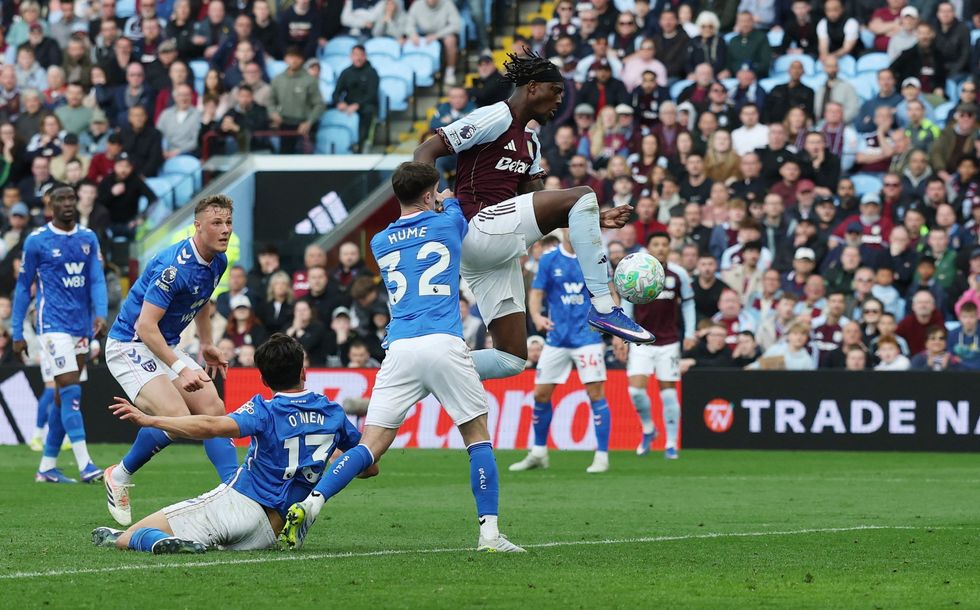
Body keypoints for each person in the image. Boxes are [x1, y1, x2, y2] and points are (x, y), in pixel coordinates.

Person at [278, 162, 524, 553]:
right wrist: (448, 201)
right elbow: (456, 214)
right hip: (443, 342)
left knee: (369, 446)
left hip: (399, 349)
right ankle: (490, 535)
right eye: (435, 191)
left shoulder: (378, 241)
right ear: (428, 195)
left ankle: (311, 503)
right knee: (477, 440)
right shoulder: (446, 222)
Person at [412, 49, 654, 386]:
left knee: (511, 357)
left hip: (490, 251)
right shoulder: (495, 116)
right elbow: (425, 152)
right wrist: (429, 205)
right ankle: (603, 306)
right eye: (556, 92)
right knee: (583, 194)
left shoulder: (531, 141)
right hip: (476, 227)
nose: (559, 102)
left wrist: (596, 219)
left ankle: (422, 371)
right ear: (533, 87)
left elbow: (538, 207)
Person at [92, 333, 374, 554]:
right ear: (303, 372)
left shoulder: (265, 410)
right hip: (270, 532)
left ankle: (152, 540)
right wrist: (337, 461)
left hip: (238, 505)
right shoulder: (334, 414)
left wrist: (151, 420)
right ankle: (179, 539)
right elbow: (369, 466)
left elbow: (211, 425)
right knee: (213, 540)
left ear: (263, 379)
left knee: (128, 539)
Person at [102, 195, 240, 527]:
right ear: (198, 226)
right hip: (130, 345)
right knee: (176, 417)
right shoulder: (173, 266)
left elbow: (203, 302)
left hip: (163, 344)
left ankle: (236, 490)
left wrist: (206, 343)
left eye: (228, 223)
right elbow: (145, 327)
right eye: (216, 223)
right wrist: (179, 366)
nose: (224, 231)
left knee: (213, 409)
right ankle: (118, 475)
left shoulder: (217, 261)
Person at [12, 186, 107, 483]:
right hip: (52, 325)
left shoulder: (88, 238)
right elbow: (22, 287)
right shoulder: (37, 241)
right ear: (50, 206)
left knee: (60, 398)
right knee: (70, 390)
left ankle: (47, 467)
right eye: (60, 200)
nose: (67, 204)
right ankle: (86, 465)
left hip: (80, 326)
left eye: (70, 199)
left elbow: (96, 279)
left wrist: (101, 313)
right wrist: (17, 330)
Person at [510, 229, 612, 474]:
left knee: (595, 392)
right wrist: (536, 315)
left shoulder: (596, 256)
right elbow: (536, 293)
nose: (573, 229)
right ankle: (539, 452)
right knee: (540, 394)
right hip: (556, 338)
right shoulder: (548, 259)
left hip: (587, 337)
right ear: (564, 229)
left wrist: (614, 323)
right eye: (569, 224)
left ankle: (602, 456)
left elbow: (608, 292)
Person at [622, 231, 694, 458]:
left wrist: (690, 332)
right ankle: (649, 429)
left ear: (670, 248)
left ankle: (671, 443)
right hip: (641, 340)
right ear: (649, 248)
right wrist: (626, 335)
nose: (661, 248)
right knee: (635, 390)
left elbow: (688, 304)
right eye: (657, 244)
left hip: (669, 341)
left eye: (665, 244)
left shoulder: (678, 274)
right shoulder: (635, 270)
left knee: (669, 394)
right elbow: (627, 304)